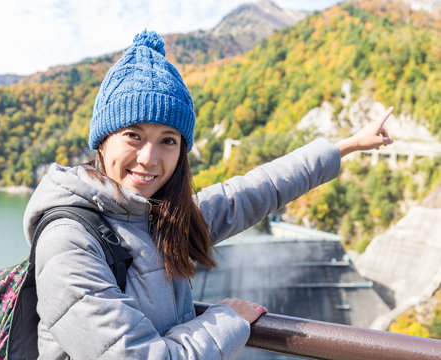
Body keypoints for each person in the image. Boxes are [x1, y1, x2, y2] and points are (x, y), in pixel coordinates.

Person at [22, 30, 393, 359]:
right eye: (133, 135)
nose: (149, 158)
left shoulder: (162, 217)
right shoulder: (69, 241)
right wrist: (224, 321)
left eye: (168, 141)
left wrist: (345, 147)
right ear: (102, 141)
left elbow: (256, 189)